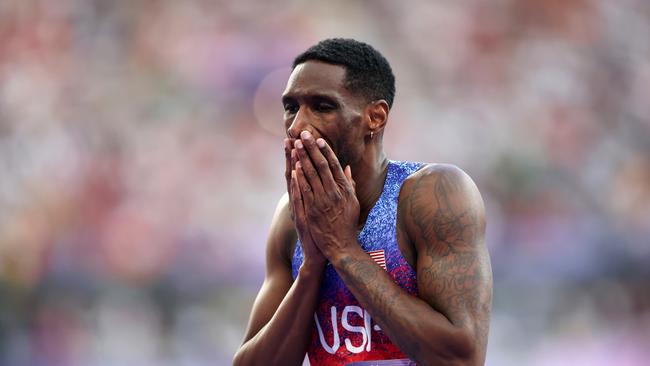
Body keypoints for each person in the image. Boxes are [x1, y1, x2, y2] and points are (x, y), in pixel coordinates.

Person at [233, 38, 492, 366]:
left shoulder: (432, 194)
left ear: (375, 117)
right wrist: (312, 265)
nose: (297, 126)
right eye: (290, 107)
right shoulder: (291, 218)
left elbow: (460, 358)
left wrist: (342, 249)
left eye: (322, 106)